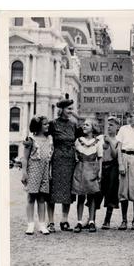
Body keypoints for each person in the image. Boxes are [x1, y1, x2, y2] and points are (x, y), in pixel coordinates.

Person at [46, 99, 79, 232]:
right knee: (52, 190)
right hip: (57, 159)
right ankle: (51, 222)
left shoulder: (73, 124)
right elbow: (43, 135)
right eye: (69, 109)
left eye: (72, 109)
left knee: (68, 190)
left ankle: (64, 220)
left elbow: (79, 139)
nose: (71, 111)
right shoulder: (53, 124)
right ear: (62, 110)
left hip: (70, 160)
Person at [21, 116, 53, 235]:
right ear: (38, 126)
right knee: (31, 197)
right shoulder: (31, 139)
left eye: (47, 124)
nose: (47, 126)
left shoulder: (49, 139)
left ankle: (42, 224)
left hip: (45, 170)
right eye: (45, 124)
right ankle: (30, 224)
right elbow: (25, 158)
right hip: (33, 170)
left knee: (42, 198)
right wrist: (24, 172)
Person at [72, 119, 103, 233]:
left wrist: (99, 171)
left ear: (93, 128)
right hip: (80, 168)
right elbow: (74, 154)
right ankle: (79, 221)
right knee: (80, 196)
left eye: (87, 125)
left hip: (92, 169)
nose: (84, 126)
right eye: (83, 124)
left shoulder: (97, 142)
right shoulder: (78, 141)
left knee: (92, 196)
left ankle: (91, 221)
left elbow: (100, 157)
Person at [99, 116, 121, 229]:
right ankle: (90, 219)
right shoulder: (100, 138)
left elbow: (115, 155)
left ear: (117, 127)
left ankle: (107, 220)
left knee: (111, 192)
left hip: (112, 167)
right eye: (108, 125)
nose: (109, 127)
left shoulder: (118, 141)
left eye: (112, 125)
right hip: (101, 166)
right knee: (97, 192)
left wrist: (110, 143)